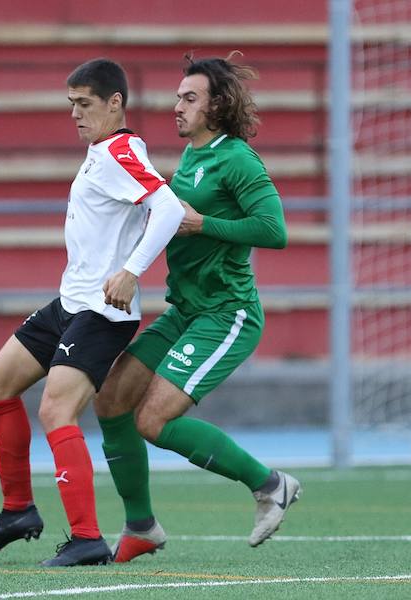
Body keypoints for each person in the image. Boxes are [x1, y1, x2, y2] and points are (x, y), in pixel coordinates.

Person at [0, 58, 185, 567]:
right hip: (71, 303)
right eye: (71, 105)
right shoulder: (100, 153)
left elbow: (167, 208)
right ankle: (18, 511)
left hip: (102, 314)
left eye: (85, 105)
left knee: (56, 410)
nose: (76, 115)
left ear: (115, 103)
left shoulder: (121, 150)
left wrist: (130, 271)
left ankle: (87, 538)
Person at [93, 53, 301, 563]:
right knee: (109, 399)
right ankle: (141, 525)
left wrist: (202, 224)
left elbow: (275, 231)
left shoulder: (237, 159)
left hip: (226, 314)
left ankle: (270, 484)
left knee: (154, 421)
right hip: (184, 310)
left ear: (217, 105)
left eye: (189, 98)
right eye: (176, 97)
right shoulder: (190, 159)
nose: (176, 106)